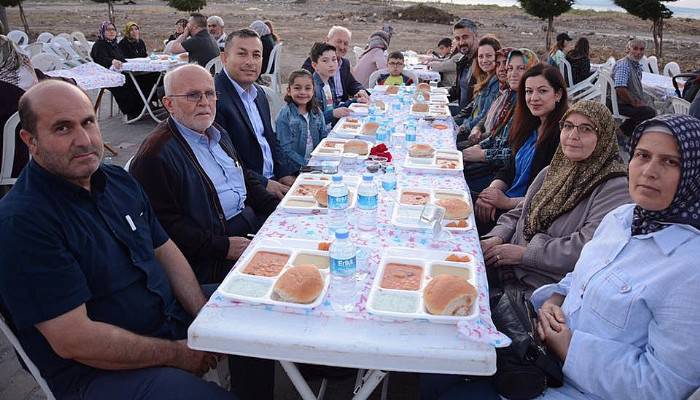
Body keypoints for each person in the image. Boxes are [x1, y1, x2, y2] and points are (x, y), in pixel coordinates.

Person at [0, 80, 235, 400]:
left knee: (256, 307)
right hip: (100, 372)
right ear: (31, 140)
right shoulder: (23, 223)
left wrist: (201, 313)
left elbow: (165, 250)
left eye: (88, 122)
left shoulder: (117, 181)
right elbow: (75, 340)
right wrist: (179, 354)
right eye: (62, 129)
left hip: (168, 319)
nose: (83, 140)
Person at [528, 114, 700, 399]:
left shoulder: (690, 267)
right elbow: (583, 276)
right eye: (643, 155)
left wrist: (569, 348)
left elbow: (663, 386)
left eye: (671, 162)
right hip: (539, 360)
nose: (649, 171)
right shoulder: (622, 218)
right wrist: (553, 300)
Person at [130, 64, 279, 284]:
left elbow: (241, 176)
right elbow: (164, 227)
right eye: (193, 95)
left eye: (210, 93)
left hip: (249, 226)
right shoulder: (155, 156)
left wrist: (275, 209)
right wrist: (223, 247)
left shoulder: (215, 130)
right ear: (169, 104)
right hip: (210, 258)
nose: (204, 102)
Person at [480, 100, 631, 292]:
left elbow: (586, 247)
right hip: (508, 265)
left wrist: (524, 254)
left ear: (604, 137)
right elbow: (521, 212)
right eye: (568, 126)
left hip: (540, 286)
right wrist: (497, 237)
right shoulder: (554, 170)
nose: (573, 136)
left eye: (586, 129)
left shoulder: (614, 186)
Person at [475, 64, 568, 234]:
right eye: (528, 91)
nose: (533, 98)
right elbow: (509, 169)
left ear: (558, 94)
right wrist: (491, 193)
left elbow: (551, 196)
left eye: (542, 91)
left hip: (522, 216)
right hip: (504, 201)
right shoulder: (530, 127)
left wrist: (505, 202)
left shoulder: (563, 137)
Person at [215, 29, 297, 199]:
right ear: (224, 58)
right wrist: (265, 183)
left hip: (273, 180)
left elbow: (269, 138)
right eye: (242, 54)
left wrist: (283, 173)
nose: (250, 62)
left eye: (256, 55)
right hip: (247, 192)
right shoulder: (214, 98)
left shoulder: (258, 93)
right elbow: (222, 162)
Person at [461, 48, 538, 194]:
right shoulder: (510, 96)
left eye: (521, 68)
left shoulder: (532, 108)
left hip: (502, 177)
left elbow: (515, 155)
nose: (512, 73)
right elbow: (497, 136)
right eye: (510, 68)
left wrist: (483, 153)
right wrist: (479, 147)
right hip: (498, 170)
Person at [90, 21, 155, 120]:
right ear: (102, 32)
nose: (111, 32)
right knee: (127, 81)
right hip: (108, 74)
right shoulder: (99, 45)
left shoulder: (114, 44)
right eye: (108, 30)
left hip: (120, 71)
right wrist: (112, 61)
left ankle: (146, 104)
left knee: (147, 77)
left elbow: (122, 59)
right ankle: (131, 111)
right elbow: (101, 60)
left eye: (113, 30)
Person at [275, 69, 326, 172]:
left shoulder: (317, 112)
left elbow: (324, 138)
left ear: (313, 91)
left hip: (316, 163)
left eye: (307, 88)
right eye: (297, 88)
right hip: (294, 168)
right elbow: (285, 149)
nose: (303, 92)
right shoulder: (285, 115)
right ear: (289, 90)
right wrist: (307, 165)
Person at [302, 26, 369, 102]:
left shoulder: (344, 63)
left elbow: (352, 83)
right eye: (339, 42)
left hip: (344, 106)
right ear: (327, 40)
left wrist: (360, 91)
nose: (342, 47)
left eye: (346, 43)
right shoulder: (314, 62)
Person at [612, 38, 657, 139]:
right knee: (648, 113)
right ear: (628, 49)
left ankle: (623, 131)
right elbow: (620, 88)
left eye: (641, 49)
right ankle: (623, 134)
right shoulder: (624, 65)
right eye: (635, 49)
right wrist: (634, 102)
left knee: (649, 104)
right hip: (618, 103)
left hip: (622, 101)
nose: (638, 52)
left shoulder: (635, 64)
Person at [458, 36, 502, 136]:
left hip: (478, 133)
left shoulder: (496, 83)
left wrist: (466, 127)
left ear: (497, 57)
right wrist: (465, 124)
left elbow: (484, 114)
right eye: (481, 56)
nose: (484, 60)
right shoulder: (484, 78)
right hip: (470, 126)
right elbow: (475, 111)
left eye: (489, 56)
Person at [309, 42, 353, 129]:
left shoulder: (329, 82)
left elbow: (334, 107)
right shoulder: (312, 88)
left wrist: (354, 101)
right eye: (325, 60)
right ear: (315, 65)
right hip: (321, 135)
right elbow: (313, 121)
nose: (331, 64)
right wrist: (333, 114)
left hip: (332, 128)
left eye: (334, 59)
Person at [448, 18, 479, 117]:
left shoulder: (483, 63)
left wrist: (458, 120)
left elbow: (479, 103)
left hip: (470, 121)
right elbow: (457, 90)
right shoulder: (463, 61)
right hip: (461, 115)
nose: (461, 42)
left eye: (465, 37)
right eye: (457, 39)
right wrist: (434, 97)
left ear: (475, 36)